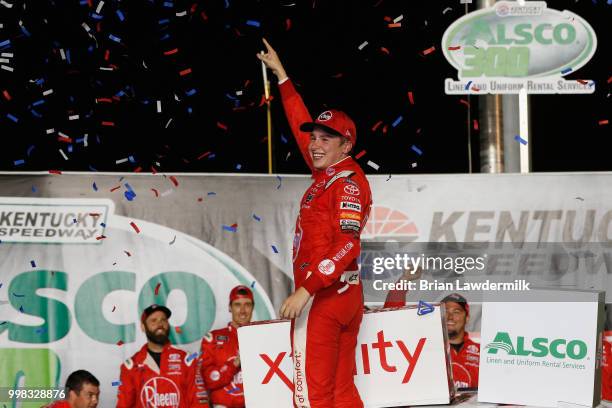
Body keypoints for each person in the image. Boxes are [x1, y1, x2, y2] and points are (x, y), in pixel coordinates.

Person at [258, 38, 373, 408]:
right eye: (316, 138)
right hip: (344, 295)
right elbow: (298, 126)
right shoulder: (328, 173)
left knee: (312, 395)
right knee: (341, 392)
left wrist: (306, 290)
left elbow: (348, 243)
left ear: (347, 145)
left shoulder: (348, 182)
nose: (315, 144)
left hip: (326, 297)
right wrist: (283, 78)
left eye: (327, 139)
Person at [116, 304, 210, 408]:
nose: (160, 324)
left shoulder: (187, 360)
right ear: (143, 327)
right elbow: (123, 405)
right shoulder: (130, 366)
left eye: (163, 320)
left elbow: (200, 403)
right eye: (153, 320)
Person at [199, 285, 253, 408]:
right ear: (230, 307)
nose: (243, 311)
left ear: (253, 307)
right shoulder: (212, 339)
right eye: (237, 305)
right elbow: (209, 380)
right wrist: (234, 364)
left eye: (247, 305)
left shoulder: (262, 337)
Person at [442, 293, 480, 390]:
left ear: (467, 318)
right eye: (445, 311)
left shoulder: (482, 352)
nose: (450, 317)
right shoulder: (426, 349)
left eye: (456, 312)